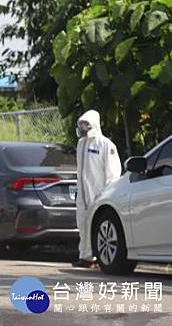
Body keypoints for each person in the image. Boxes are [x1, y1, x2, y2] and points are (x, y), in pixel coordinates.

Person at [72, 109, 122, 268]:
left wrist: (106, 194)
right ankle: (85, 257)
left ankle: (98, 257)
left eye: (86, 124)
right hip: (83, 194)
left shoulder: (106, 145)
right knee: (82, 223)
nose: (83, 126)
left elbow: (113, 173)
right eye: (81, 124)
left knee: (98, 226)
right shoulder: (81, 144)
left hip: (99, 193)